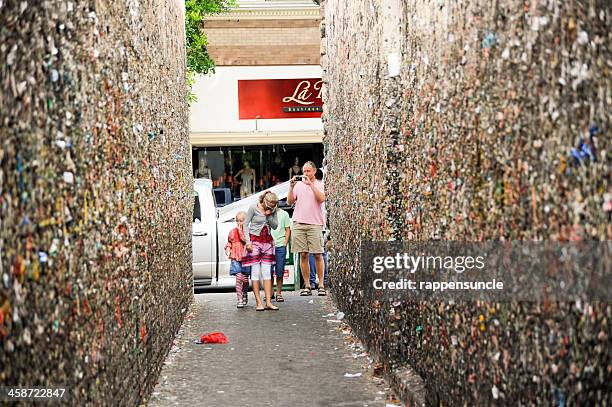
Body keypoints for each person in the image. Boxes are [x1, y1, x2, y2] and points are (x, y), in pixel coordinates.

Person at [287, 161, 326, 296]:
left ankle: (321, 284)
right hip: (299, 222)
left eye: (308, 171)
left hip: (315, 223)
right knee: (303, 254)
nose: (306, 174)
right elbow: (290, 201)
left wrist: (311, 185)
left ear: (314, 171)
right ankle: (307, 285)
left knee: (318, 254)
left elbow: (321, 199)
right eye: (304, 171)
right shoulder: (298, 185)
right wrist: (291, 187)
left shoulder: (319, 183)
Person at [242, 191, 280, 311]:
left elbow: (275, 226)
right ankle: (259, 302)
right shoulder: (253, 207)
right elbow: (245, 224)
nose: (270, 208)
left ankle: (268, 302)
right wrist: (248, 242)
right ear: (264, 201)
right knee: (255, 272)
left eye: (273, 207)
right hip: (254, 241)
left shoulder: (273, 210)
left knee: (267, 272)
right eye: (269, 206)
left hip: (267, 241)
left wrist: (269, 215)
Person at [224, 212, 251, 308]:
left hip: (246, 258)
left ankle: (244, 293)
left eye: (241, 221)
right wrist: (228, 250)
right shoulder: (232, 232)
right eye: (237, 221)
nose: (239, 223)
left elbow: (246, 241)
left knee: (245, 279)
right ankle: (239, 298)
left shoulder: (248, 231)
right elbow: (229, 243)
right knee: (238, 278)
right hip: (235, 257)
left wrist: (240, 232)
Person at [271, 207, 291, 302]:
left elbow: (288, 229)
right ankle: (270, 292)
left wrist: (285, 243)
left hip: (280, 246)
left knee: (280, 271)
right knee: (268, 271)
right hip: (268, 246)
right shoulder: (266, 214)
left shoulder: (284, 214)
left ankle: (279, 293)